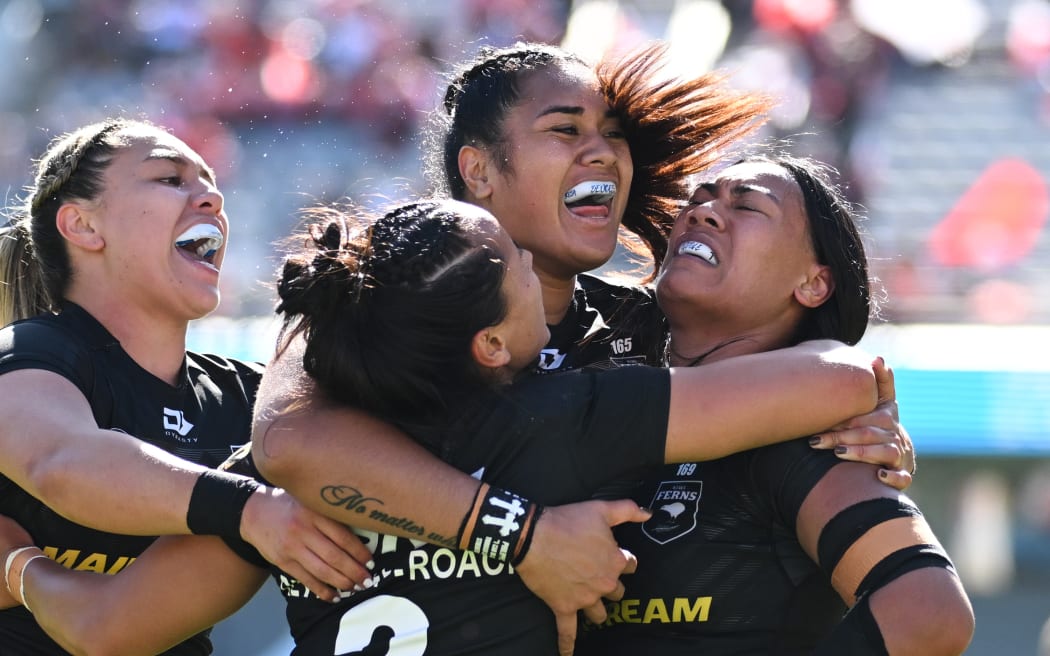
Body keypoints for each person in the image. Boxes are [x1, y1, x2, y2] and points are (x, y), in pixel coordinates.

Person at [246, 42, 916, 653]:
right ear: (477, 170)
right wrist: (524, 536)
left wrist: (866, 429)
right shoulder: (371, 299)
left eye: (613, 136)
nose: (602, 154)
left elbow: (804, 383)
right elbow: (289, 440)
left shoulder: (645, 331)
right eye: (565, 130)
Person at [0, 196, 885, 656]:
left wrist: (17, 564)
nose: (533, 257)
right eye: (511, 259)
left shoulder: (275, 498)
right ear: (492, 342)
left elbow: (109, 629)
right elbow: (835, 375)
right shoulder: (564, 416)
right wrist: (874, 406)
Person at [0, 118, 376, 654]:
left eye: (210, 181)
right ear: (82, 225)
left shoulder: (248, 398)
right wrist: (251, 509)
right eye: (169, 179)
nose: (213, 198)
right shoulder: (30, 355)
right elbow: (62, 465)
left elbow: (111, 627)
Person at [576, 153, 974, 655]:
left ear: (813, 283)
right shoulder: (584, 368)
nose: (703, 212)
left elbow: (930, 616)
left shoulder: (818, 442)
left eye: (747, 206)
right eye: (699, 199)